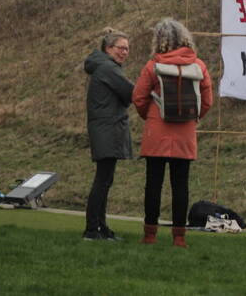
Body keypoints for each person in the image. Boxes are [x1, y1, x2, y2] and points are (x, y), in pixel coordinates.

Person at [132, 18, 213, 248]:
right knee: (181, 186)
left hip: (156, 131)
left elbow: (138, 97)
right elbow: (206, 102)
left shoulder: (152, 65)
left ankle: (150, 234)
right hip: (185, 133)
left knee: (153, 184)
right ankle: (179, 237)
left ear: (159, 40)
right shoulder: (199, 66)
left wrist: (150, 117)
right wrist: (191, 119)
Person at [82, 28, 135, 241]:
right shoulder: (108, 68)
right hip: (108, 130)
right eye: (120, 48)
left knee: (104, 181)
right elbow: (132, 92)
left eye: (127, 49)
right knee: (102, 181)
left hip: (105, 129)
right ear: (108, 48)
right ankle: (93, 229)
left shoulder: (104, 67)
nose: (124, 52)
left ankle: (100, 228)